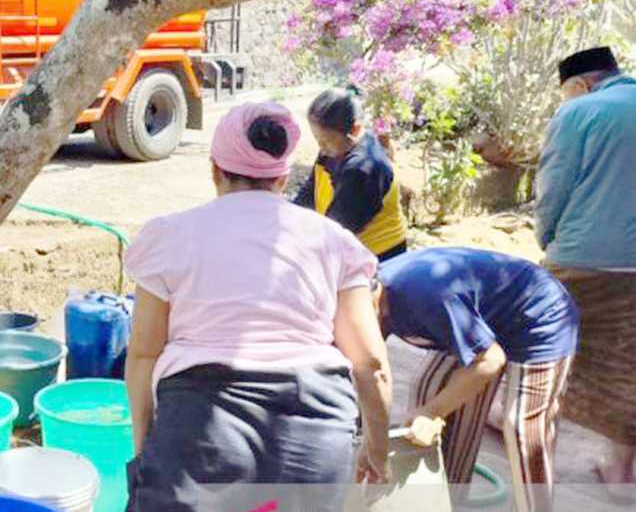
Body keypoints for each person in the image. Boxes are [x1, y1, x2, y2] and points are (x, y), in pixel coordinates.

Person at [124, 101, 392, 512]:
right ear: (283, 179)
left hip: (197, 425)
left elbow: (144, 353)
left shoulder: (169, 235)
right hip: (315, 426)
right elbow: (371, 361)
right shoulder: (333, 241)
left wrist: (145, 450)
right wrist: (376, 447)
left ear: (214, 170)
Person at [373, 247, 579, 512]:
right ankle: (444, 502)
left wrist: (433, 411)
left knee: (522, 429)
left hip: (539, 316)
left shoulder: (423, 295)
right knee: (429, 389)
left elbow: (490, 361)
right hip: (480, 320)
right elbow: (369, 369)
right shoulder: (358, 304)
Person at [534, 46, 636, 496]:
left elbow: (554, 184)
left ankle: (520, 434)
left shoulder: (580, 111)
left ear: (579, 85)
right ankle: (619, 466)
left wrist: (547, 237)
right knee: (625, 361)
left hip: (583, 254)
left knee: (544, 345)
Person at [294, 88, 408, 261]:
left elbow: (338, 229)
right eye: (319, 141)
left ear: (355, 129)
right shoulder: (335, 148)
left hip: (377, 256)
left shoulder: (363, 169)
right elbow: (311, 192)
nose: (322, 149)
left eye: (326, 141)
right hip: (343, 241)